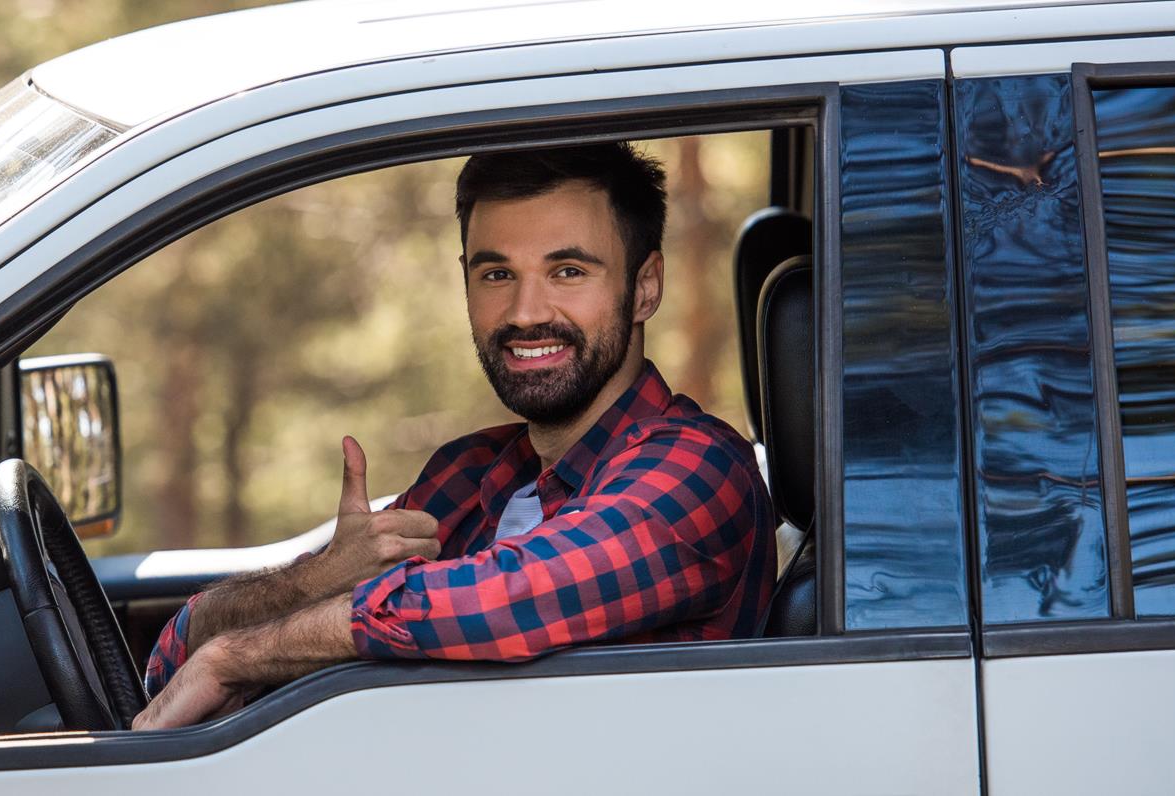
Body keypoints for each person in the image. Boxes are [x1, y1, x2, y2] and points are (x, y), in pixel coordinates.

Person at [132, 142, 777, 730]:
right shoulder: (471, 473)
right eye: (497, 274)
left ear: (645, 287)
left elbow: (510, 598)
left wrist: (243, 657)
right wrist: (318, 579)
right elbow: (172, 662)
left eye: (568, 272)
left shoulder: (700, 469)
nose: (525, 313)